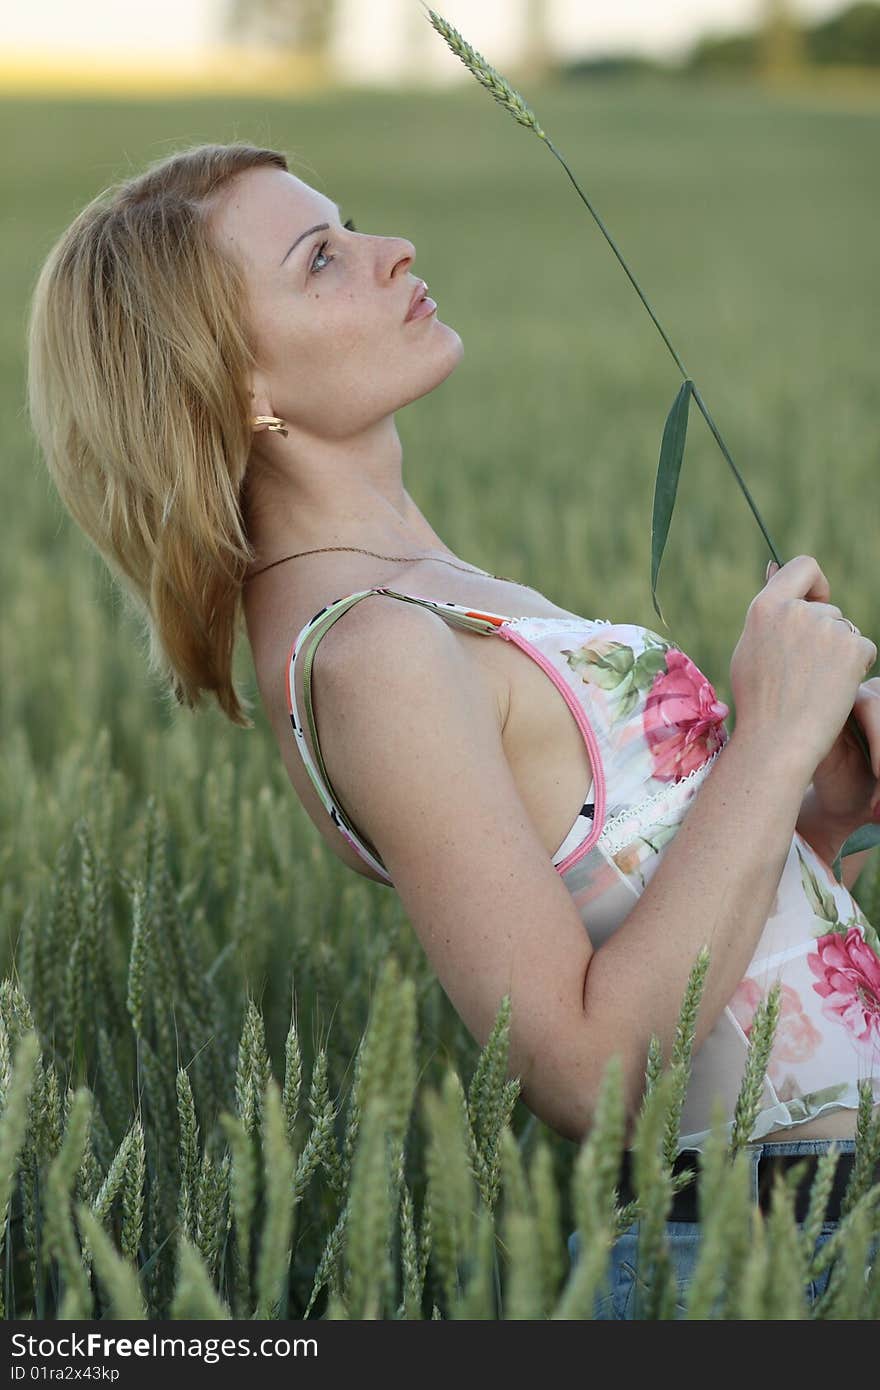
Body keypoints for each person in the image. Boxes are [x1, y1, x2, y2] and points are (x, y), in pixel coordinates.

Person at [26, 141, 880, 1316]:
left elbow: (687, 943)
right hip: (767, 1253)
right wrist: (772, 738)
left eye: (354, 226)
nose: (394, 252)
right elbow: (588, 1075)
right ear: (238, 391)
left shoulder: (428, 592)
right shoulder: (371, 652)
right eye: (321, 258)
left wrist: (810, 815)